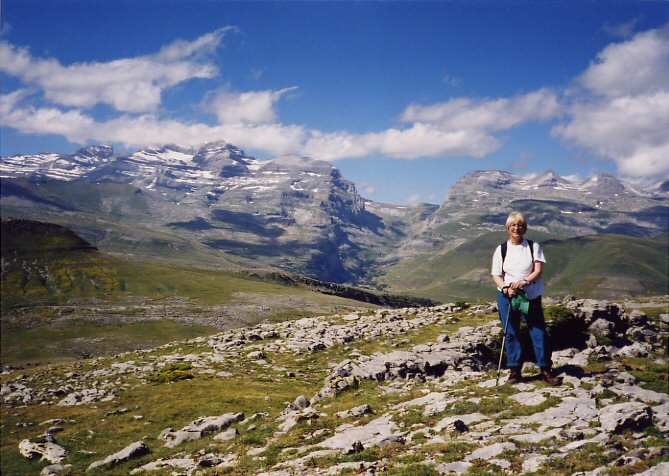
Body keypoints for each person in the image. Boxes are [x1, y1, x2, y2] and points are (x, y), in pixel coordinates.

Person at [491, 211, 562, 385]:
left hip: (530, 297)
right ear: (508, 228)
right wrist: (506, 287)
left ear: (525, 228)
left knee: (538, 332)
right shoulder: (502, 249)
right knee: (511, 333)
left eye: (520, 225)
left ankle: (546, 370)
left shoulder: (533, 247)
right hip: (508, 297)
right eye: (514, 225)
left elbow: (538, 270)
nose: (517, 228)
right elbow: (496, 275)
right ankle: (515, 372)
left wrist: (524, 282)